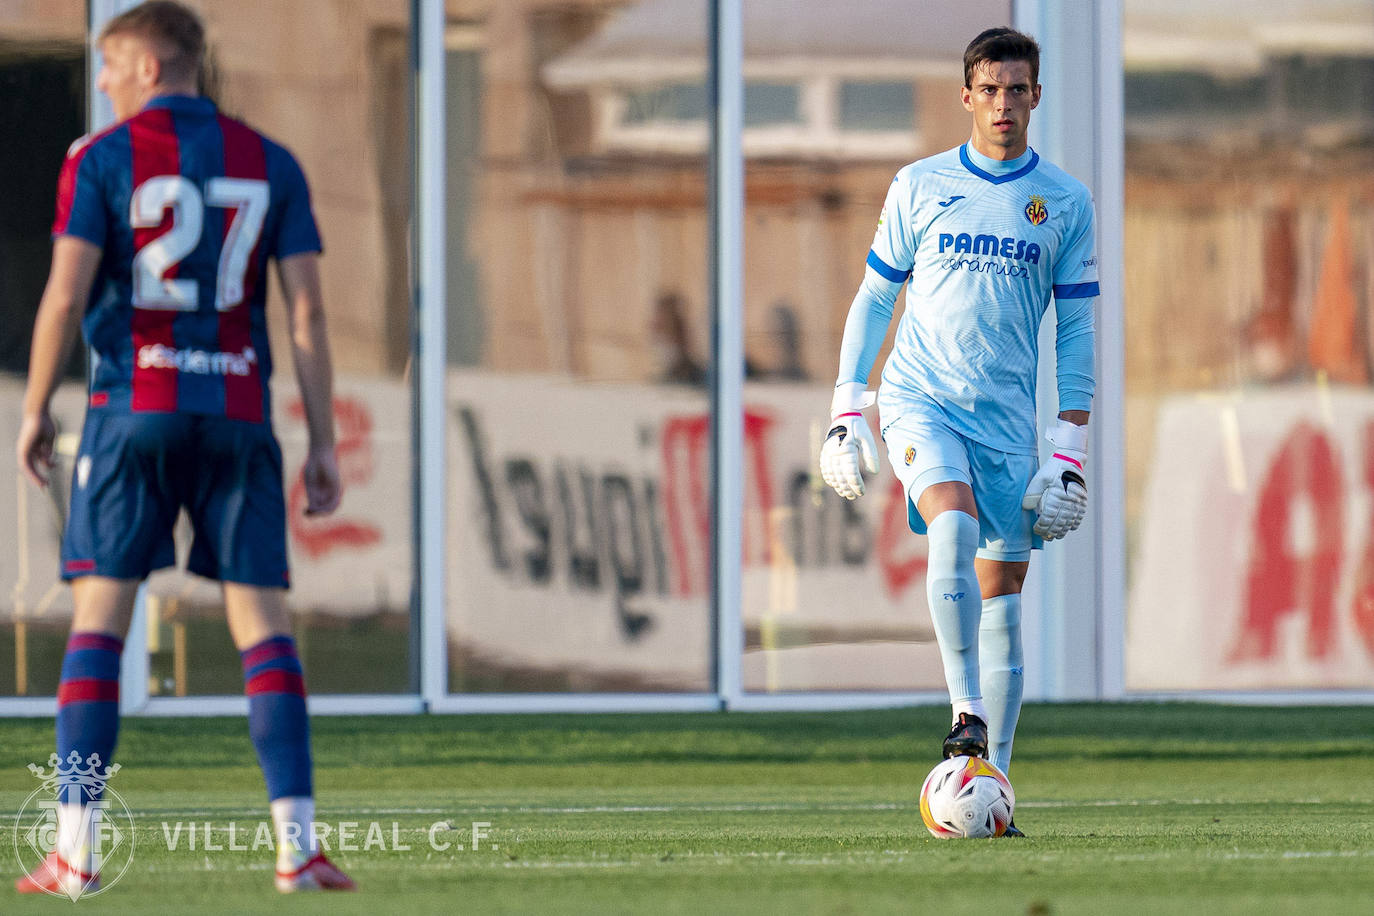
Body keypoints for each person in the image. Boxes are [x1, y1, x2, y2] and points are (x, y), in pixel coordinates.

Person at [15, 1, 354, 893]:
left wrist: (37, 406)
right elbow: (309, 311)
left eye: (111, 66)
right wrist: (321, 441)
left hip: (136, 409)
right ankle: (298, 848)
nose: (103, 82)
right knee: (263, 631)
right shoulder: (270, 162)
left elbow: (64, 294)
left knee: (98, 624)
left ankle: (76, 854)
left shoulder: (100, 160)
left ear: (154, 67)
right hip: (238, 411)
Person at [818, 27, 1097, 837]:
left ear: (1035, 96)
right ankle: (965, 713)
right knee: (953, 518)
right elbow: (875, 301)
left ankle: (992, 782)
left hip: (1008, 423)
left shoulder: (1065, 203)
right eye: (991, 89)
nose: (1005, 104)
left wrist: (1069, 451)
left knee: (1003, 599)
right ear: (967, 96)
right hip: (922, 399)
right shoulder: (921, 184)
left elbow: (1075, 333)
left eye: (1019, 89)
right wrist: (847, 409)